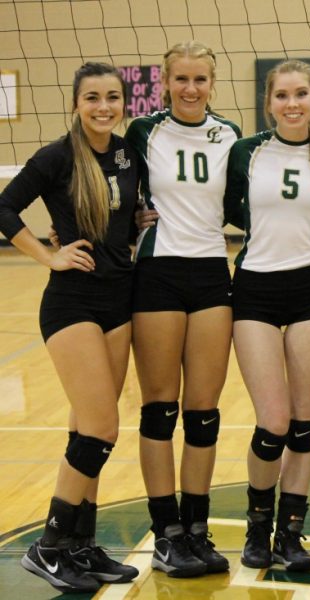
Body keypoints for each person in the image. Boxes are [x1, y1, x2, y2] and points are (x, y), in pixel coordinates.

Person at [0, 62, 139, 593]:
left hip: (118, 300)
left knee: (88, 427)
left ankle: (81, 545)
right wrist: (47, 256)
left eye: (111, 97)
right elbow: (5, 206)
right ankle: (50, 545)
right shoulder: (57, 155)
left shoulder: (128, 152)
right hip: (72, 303)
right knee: (103, 428)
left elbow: (122, 209)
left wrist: (138, 218)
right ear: (76, 103)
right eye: (92, 98)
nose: (103, 107)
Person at [125, 41, 240, 578]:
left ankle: (196, 526)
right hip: (159, 273)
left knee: (203, 411)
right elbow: (116, 193)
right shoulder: (142, 132)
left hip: (212, 272)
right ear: (165, 83)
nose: (190, 89)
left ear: (212, 84)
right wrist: (127, 223)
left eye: (200, 80)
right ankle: (166, 530)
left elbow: (247, 199)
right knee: (159, 408)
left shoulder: (230, 135)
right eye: (181, 80)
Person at [224, 60, 310, 572]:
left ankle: (291, 532)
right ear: (268, 102)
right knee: (272, 422)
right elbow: (219, 206)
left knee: (305, 422)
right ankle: (257, 524)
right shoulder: (246, 154)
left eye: (301, 94)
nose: (292, 104)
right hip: (254, 288)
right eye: (282, 95)